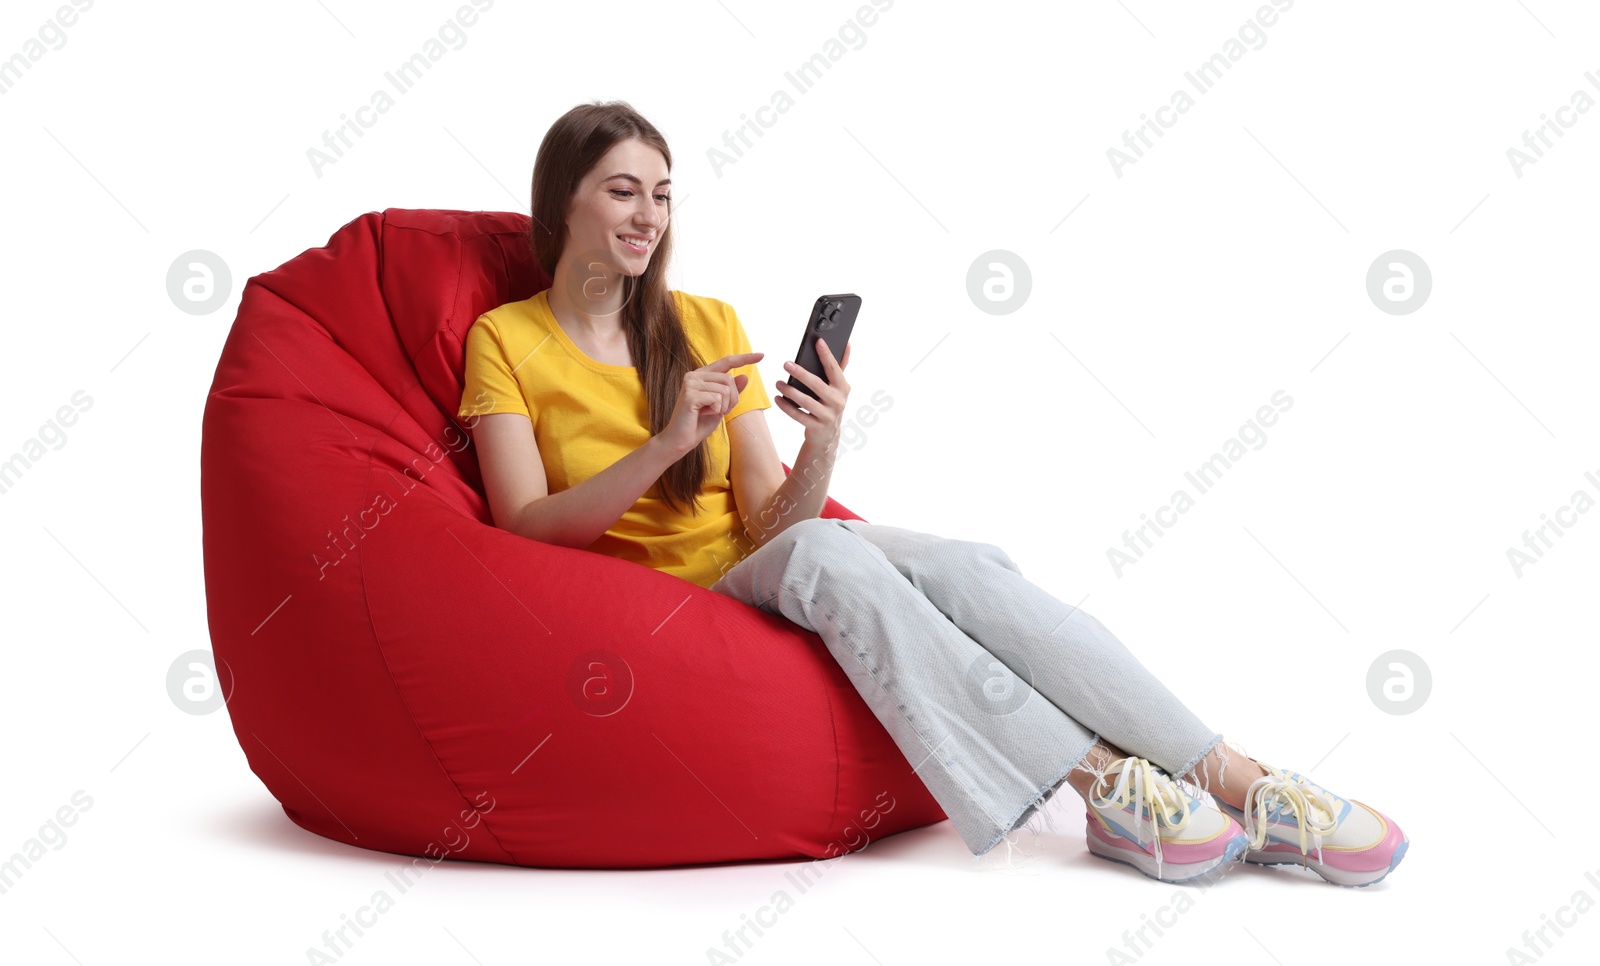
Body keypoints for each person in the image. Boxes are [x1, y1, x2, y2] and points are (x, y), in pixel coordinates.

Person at [456, 99, 1408, 887]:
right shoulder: (507, 340)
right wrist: (666, 443)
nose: (648, 216)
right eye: (622, 191)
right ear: (562, 204)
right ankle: (1107, 787)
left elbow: (770, 523)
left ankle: (1245, 781)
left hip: (759, 566)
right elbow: (525, 531)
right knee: (831, 553)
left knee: (965, 565)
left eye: (662, 195)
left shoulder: (702, 322)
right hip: (665, 609)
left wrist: (821, 439)